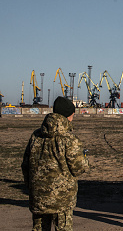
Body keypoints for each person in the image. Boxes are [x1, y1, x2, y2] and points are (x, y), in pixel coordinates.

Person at [21, 96, 89, 231]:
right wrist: (85, 158)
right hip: (62, 199)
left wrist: (32, 187)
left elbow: (25, 165)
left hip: (39, 196)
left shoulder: (36, 136)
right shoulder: (69, 139)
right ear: (68, 115)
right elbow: (79, 168)